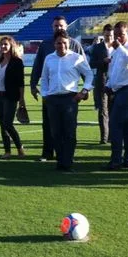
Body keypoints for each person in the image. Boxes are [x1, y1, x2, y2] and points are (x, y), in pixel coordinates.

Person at [30, 16, 85, 162]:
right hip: (49, 92)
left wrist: (86, 90)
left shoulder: (75, 44)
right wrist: (33, 84)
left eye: (61, 26)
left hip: (69, 94)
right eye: (56, 26)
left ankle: (66, 155)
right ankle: (47, 153)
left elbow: (84, 66)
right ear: (52, 28)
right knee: (48, 123)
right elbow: (38, 66)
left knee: (68, 126)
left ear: (66, 27)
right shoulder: (45, 45)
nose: (58, 28)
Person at [40, 31, 93, 172]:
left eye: (64, 43)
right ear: (54, 44)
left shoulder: (77, 58)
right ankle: (60, 161)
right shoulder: (49, 58)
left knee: (69, 132)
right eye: (59, 43)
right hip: (53, 99)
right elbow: (44, 78)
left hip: (70, 98)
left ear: (69, 43)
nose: (61, 45)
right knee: (56, 132)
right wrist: (45, 95)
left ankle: (67, 163)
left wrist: (84, 91)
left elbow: (89, 75)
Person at [103, 21, 128, 170]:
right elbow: (114, 70)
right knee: (127, 126)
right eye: (116, 34)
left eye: (122, 34)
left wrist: (119, 47)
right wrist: (108, 85)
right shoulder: (116, 50)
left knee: (115, 124)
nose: (119, 37)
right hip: (121, 90)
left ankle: (116, 160)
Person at [0, 36, 26, 159]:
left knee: (7, 123)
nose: (3, 47)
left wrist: (22, 99)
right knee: (2, 124)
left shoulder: (17, 62)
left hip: (10, 96)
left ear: (11, 45)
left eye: (5, 44)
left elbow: (20, 82)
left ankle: (19, 147)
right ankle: (7, 151)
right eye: (1, 44)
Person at [89, 24, 115, 144]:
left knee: (113, 110)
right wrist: (103, 61)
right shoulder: (98, 47)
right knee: (103, 110)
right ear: (103, 34)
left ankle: (112, 136)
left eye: (110, 35)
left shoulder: (118, 47)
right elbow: (92, 63)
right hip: (102, 82)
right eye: (106, 35)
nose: (109, 37)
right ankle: (104, 137)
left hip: (116, 82)